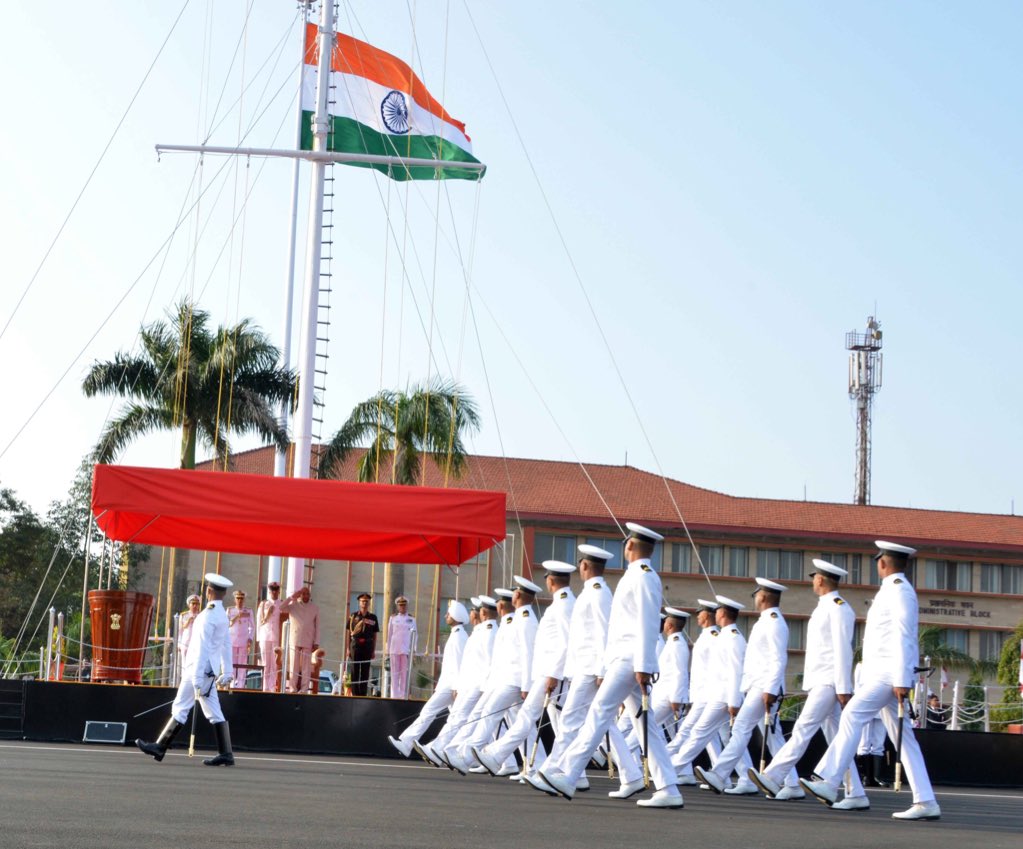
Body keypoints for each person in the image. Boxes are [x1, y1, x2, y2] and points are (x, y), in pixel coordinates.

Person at [540, 522, 684, 809]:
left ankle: (568, 774)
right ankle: (668, 787)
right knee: (645, 725)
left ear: (630, 545)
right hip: (625, 659)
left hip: (631, 660)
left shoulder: (643, 577)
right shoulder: (635, 575)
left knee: (598, 712)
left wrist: (643, 664)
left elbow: (646, 622)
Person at [801, 541, 941, 821]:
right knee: (905, 740)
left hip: (890, 675)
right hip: (883, 674)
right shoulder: (891, 590)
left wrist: (902, 679)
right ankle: (925, 800)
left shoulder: (900, 591)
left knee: (852, 715)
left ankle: (828, 781)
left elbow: (904, 635)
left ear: (882, 563)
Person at [749, 559, 869, 809]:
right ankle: (856, 793)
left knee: (803, 728)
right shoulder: (824, 606)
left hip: (829, 680)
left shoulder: (838, 607)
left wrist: (843, 687)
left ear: (821, 579)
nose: (812, 580)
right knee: (837, 737)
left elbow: (842, 650)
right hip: (821, 679)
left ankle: (773, 776)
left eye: (814, 577)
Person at [528, 544, 643, 799]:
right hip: (585, 666)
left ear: (584, 565)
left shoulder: (599, 593)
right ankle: (632, 775)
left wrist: (603, 670)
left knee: (570, 719)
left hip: (593, 669)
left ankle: (552, 769)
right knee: (602, 725)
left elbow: (604, 632)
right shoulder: (590, 592)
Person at [474, 562, 576, 778]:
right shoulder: (559, 604)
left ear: (550, 580)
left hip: (552, 674)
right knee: (549, 723)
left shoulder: (564, 605)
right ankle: (508, 760)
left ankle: (498, 756)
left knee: (547, 722)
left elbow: (567, 643)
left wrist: (553, 675)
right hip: (547, 674)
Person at [696, 578, 795, 797]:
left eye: (757, 594)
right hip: (756, 685)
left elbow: (779, 658)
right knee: (772, 735)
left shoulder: (774, 621)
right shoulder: (765, 621)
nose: (755, 597)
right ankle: (793, 783)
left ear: (764, 596)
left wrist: (770, 689)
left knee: (741, 728)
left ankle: (719, 774)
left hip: (765, 686)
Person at [135, 572, 236, 766]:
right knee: (214, 711)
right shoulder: (221, 615)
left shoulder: (208, 616)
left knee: (180, 706)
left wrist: (197, 677)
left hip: (198, 670)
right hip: (209, 670)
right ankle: (226, 753)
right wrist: (227, 671)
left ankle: (160, 746)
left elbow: (202, 647)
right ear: (224, 594)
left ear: (208, 591)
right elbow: (226, 644)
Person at [449, 575, 541, 774]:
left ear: (517, 595)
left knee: (489, 714)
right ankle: (534, 766)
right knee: (521, 725)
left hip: (516, 681)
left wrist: (526, 685)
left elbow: (528, 654)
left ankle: (465, 757)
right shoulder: (518, 619)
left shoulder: (525, 620)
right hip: (508, 679)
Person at [670, 594, 748, 789]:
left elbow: (735, 671)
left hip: (723, 697)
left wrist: (733, 701)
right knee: (718, 736)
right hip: (716, 695)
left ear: (721, 613)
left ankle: (671, 770)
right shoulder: (723, 636)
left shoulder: (733, 638)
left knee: (698, 733)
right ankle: (741, 779)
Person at [417, 596, 500, 768]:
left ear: (481, 612)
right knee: (471, 719)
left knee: (469, 718)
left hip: (480, 685)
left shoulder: (489, 632)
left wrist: (482, 686)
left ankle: (443, 750)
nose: (470, 613)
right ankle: (443, 750)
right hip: (471, 684)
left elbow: (490, 662)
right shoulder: (478, 632)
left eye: (473, 610)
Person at [388, 600, 470, 757]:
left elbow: (460, 664)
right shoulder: (457, 634)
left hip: (452, 686)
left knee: (431, 712)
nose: (446, 616)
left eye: (449, 613)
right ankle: (449, 751)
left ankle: (408, 743)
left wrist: (457, 687)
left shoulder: (459, 637)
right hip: (449, 684)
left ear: (456, 616)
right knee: (456, 720)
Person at [283, 586, 320, 694]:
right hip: (295, 639)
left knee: (306, 668)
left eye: (307, 593)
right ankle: (293, 689)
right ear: (300, 594)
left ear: (310, 595)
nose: (305, 596)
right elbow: (281, 607)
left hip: (308, 640)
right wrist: (292, 597)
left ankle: (304, 690)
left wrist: (316, 642)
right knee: (293, 666)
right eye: (303, 593)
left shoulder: (315, 608)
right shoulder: (293, 605)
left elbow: (317, 626)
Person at [347, 593, 379, 696]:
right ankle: (355, 694)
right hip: (355, 645)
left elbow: (374, 635)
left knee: (365, 671)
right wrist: (348, 648)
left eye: (366, 601)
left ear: (369, 603)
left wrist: (373, 650)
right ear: (359, 602)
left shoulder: (373, 617)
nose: (364, 603)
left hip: (367, 645)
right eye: (362, 601)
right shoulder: (353, 616)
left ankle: (363, 694)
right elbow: (348, 633)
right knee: (354, 670)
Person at [387, 596, 418, 699]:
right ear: (398, 606)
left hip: (406, 650)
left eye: (404, 605)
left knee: (404, 674)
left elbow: (415, 635)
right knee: (394, 673)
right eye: (400, 605)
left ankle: (402, 696)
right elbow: (389, 634)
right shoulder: (393, 618)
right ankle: (394, 695)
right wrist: (388, 650)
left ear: (406, 606)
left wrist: (414, 649)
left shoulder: (411, 619)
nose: (402, 607)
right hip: (394, 649)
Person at [256, 581, 283, 692]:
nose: (274, 592)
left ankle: (272, 687)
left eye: (276, 590)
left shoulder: (281, 604)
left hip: (276, 636)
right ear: (269, 591)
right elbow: (259, 621)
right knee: (265, 663)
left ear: (279, 591)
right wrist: (258, 638)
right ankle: (265, 687)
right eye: (272, 590)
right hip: (265, 636)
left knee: (274, 663)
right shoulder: (264, 604)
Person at [228, 590, 255, 688]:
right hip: (232, 641)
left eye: (241, 598)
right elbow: (227, 624)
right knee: (232, 663)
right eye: (238, 598)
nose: (239, 600)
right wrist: (237, 616)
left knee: (242, 664)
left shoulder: (248, 611)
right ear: (235, 599)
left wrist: (250, 638)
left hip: (243, 641)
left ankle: (240, 685)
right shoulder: (230, 611)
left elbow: (252, 627)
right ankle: (231, 683)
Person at [177, 594, 202, 674]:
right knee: (185, 665)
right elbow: (180, 631)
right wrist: (179, 644)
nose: (195, 606)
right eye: (193, 604)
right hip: (186, 642)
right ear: (189, 605)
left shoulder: (201, 616)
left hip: (197, 643)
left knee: (195, 664)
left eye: (197, 604)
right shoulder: (184, 615)